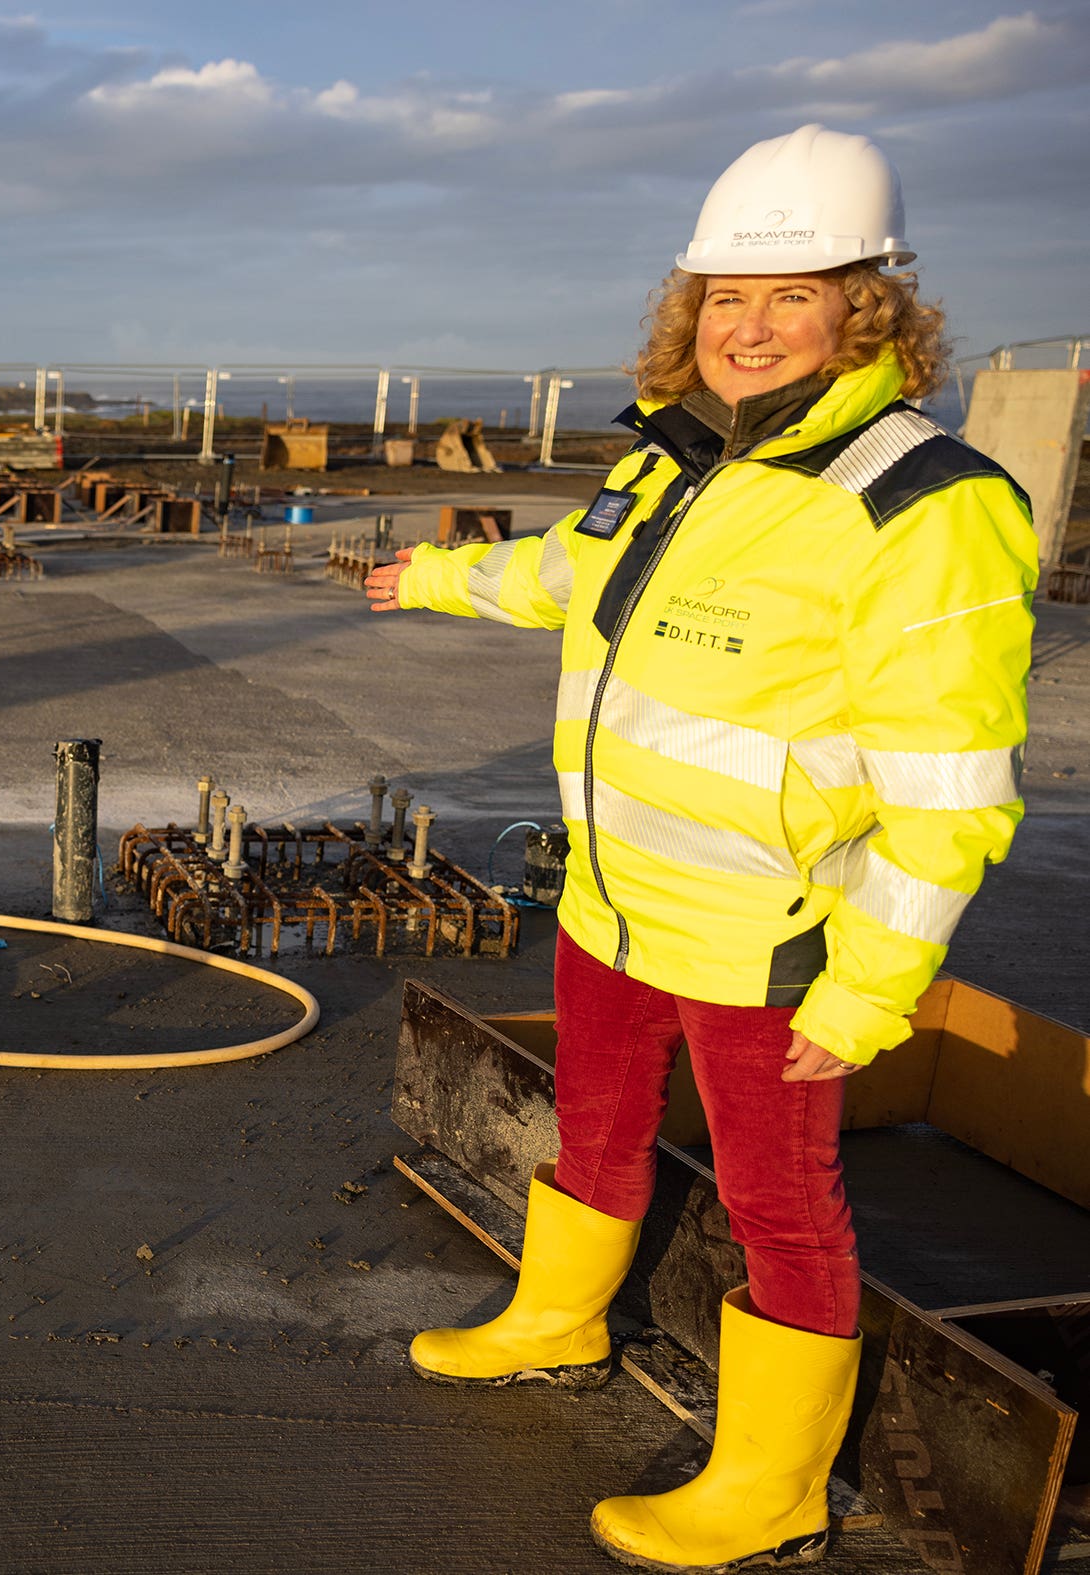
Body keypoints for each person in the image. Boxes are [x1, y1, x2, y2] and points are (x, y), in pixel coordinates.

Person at [365, 125, 1034, 1569]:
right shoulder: (676, 460)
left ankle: (771, 1480)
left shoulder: (922, 503)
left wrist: (866, 990)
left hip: (771, 935)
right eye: (725, 298)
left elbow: (950, 784)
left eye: (791, 297)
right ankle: (554, 1321)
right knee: (594, 1126)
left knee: (777, 1202)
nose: (748, 328)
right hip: (616, 898)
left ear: (867, 310)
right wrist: (426, 577)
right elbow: (564, 576)